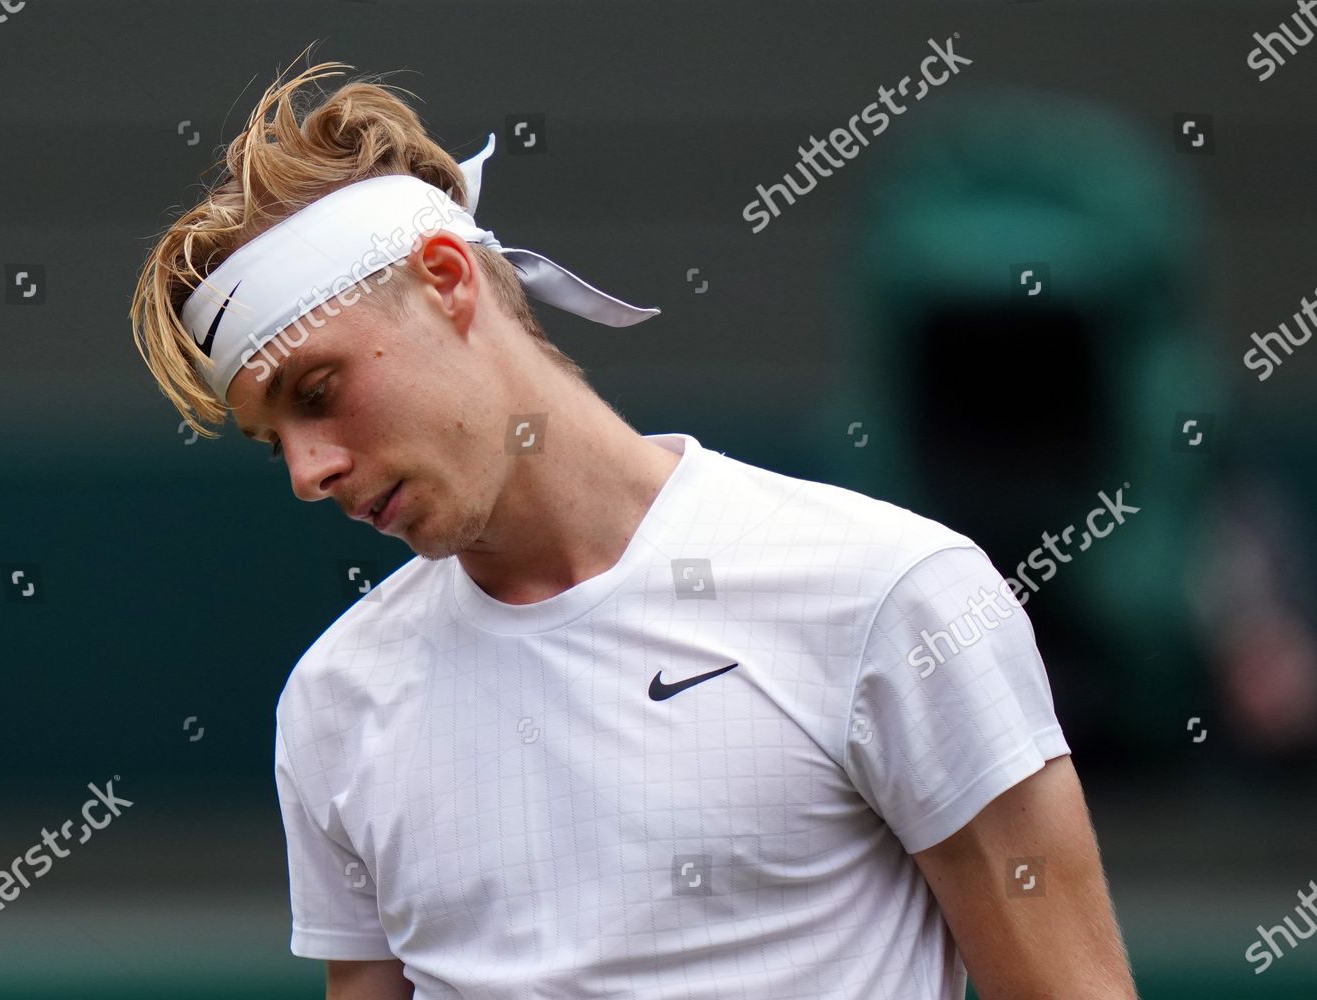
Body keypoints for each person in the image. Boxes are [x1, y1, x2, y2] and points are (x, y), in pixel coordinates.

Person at [129, 55, 1138, 1000]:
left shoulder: (893, 591)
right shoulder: (335, 703)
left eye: (319, 389)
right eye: (275, 442)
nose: (310, 473)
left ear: (446, 279)